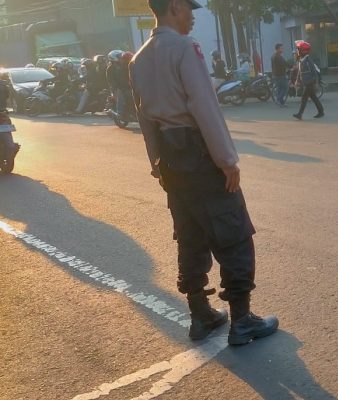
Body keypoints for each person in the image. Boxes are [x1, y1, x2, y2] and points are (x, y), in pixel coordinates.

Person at [129, 0, 278, 345]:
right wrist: (227, 160)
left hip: (170, 160)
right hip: (199, 155)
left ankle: (201, 316)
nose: (194, 17)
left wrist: (156, 163)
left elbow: (144, 118)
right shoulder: (184, 48)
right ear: (176, 7)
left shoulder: (138, 59)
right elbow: (204, 106)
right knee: (234, 233)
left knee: (190, 234)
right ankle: (242, 321)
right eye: (190, 10)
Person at [292, 40, 324, 120]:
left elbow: (313, 71)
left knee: (304, 98)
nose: (297, 51)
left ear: (304, 51)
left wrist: (316, 82)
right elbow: (300, 71)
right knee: (313, 97)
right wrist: (297, 80)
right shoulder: (301, 60)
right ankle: (321, 111)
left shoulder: (308, 60)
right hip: (306, 82)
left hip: (310, 82)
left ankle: (300, 114)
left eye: (299, 50)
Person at [106, 50, 124, 115]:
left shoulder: (124, 65)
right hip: (116, 87)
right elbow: (111, 81)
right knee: (120, 93)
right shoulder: (110, 69)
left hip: (126, 85)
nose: (121, 57)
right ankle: (120, 112)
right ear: (113, 57)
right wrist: (117, 88)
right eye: (119, 56)